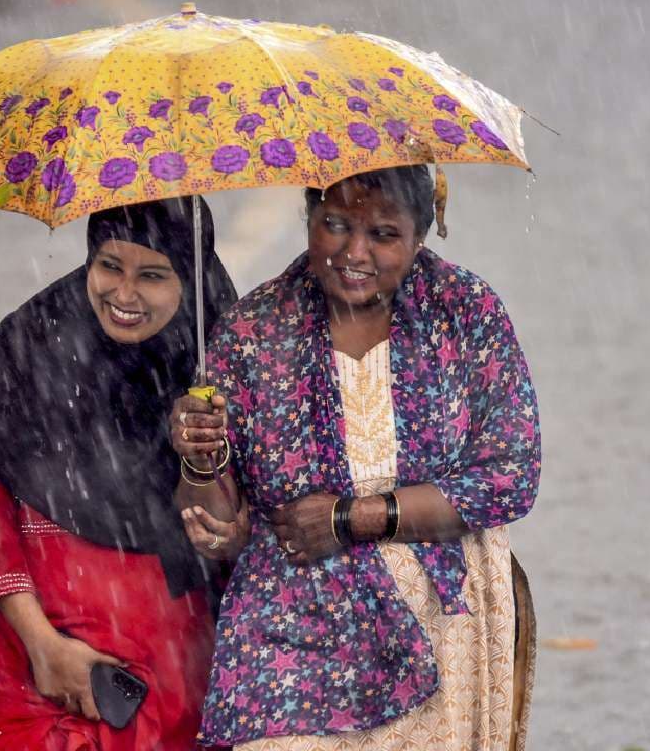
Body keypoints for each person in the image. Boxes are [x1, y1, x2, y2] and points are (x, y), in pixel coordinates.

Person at [172, 165, 540, 750]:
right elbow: (216, 528)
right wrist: (200, 457)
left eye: (384, 234)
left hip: (444, 624)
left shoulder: (465, 312)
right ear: (310, 215)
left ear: (420, 236)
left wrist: (351, 519)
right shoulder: (253, 330)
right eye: (337, 224)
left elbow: (511, 475)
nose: (354, 252)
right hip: (294, 623)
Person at [0, 197, 244, 750]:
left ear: (192, 277)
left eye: (152, 275)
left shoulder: (225, 359)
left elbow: (236, 535)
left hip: (171, 674)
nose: (123, 295)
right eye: (109, 266)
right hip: (28, 671)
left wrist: (201, 455)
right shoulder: (28, 344)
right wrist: (43, 647)